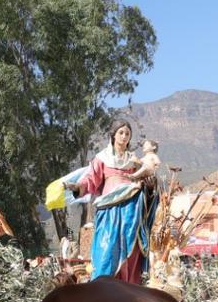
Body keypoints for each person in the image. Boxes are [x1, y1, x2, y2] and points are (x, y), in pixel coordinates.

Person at [67, 120, 158, 283]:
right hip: (109, 211)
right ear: (113, 135)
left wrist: (150, 188)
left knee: (130, 252)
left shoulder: (135, 161)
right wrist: (78, 186)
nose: (124, 136)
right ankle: (103, 286)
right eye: (121, 133)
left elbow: (145, 184)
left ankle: (129, 288)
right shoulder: (102, 158)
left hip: (131, 212)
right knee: (107, 249)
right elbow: (90, 179)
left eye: (127, 134)